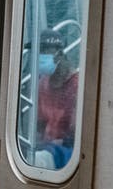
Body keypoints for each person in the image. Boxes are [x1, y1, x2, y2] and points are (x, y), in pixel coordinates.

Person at [34, 29, 79, 168]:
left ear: (59, 54)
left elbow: (75, 134)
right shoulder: (43, 83)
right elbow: (40, 124)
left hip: (66, 153)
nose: (39, 57)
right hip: (46, 147)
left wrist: (58, 143)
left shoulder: (77, 85)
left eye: (43, 51)